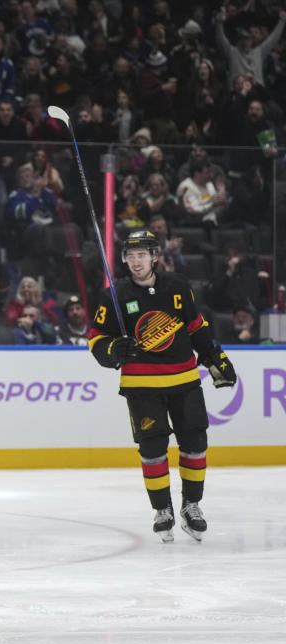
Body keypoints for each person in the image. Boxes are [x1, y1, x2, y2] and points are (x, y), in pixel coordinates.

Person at [88, 230, 237, 543]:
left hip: (184, 381)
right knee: (153, 451)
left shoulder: (178, 287)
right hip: (141, 385)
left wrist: (213, 356)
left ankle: (191, 506)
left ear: (154, 256)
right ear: (125, 259)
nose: (136, 261)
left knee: (195, 445)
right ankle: (163, 510)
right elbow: (96, 338)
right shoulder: (115, 295)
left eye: (142, 255)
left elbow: (197, 326)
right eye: (131, 256)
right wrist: (113, 350)